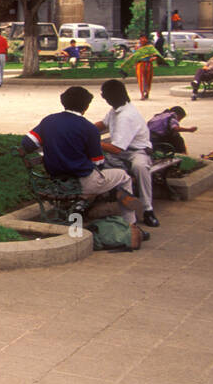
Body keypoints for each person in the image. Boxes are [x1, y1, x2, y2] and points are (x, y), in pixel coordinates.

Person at [21, 86, 145, 235]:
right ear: (86, 106)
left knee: (104, 179)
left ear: (63, 102)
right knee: (123, 177)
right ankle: (131, 226)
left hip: (55, 182)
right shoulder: (88, 128)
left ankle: (86, 206)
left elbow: (28, 143)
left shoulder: (48, 121)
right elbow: (99, 163)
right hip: (82, 183)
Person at [93, 79, 159, 227]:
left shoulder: (126, 116)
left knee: (140, 168)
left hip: (137, 152)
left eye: (104, 94)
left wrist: (93, 142)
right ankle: (123, 195)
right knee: (98, 163)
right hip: (120, 153)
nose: (103, 97)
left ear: (112, 95)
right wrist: (84, 128)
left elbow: (117, 149)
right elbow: (103, 124)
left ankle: (148, 209)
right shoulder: (116, 110)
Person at [122, 36, 165, 100]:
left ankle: (147, 93)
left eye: (144, 38)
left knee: (148, 80)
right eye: (141, 38)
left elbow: (157, 55)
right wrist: (128, 63)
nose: (143, 40)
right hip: (140, 65)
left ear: (147, 40)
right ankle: (142, 94)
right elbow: (133, 56)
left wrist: (153, 58)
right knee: (141, 80)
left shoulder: (150, 48)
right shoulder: (137, 48)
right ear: (140, 39)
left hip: (149, 65)